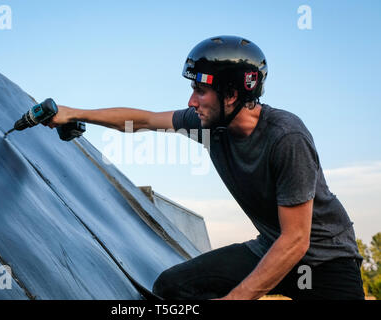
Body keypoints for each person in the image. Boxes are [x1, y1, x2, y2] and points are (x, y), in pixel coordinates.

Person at [44, 36, 364, 300]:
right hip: (269, 247)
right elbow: (142, 120)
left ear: (231, 94)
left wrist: (236, 298)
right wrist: (74, 113)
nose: (191, 102)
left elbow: (296, 240)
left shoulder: (286, 137)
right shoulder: (207, 124)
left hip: (326, 261)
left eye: (200, 90)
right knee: (173, 287)